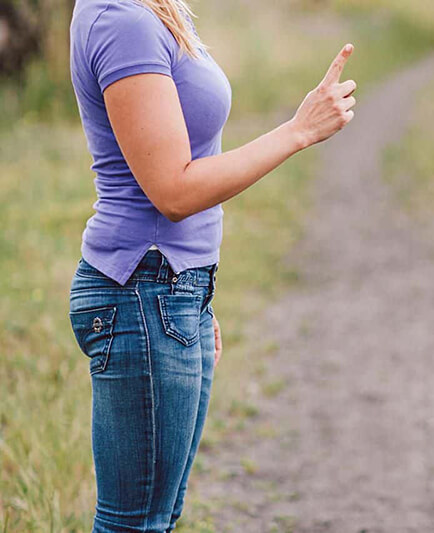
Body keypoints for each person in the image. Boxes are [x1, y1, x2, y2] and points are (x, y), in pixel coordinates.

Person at [68, 0, 356, 530]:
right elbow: (173, 190)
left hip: (170, 292)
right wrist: (297, 131)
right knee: (137, 524)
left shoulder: (151, 10)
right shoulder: (120, 19)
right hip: (143, 290)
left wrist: (195, 297)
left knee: (158, 517)